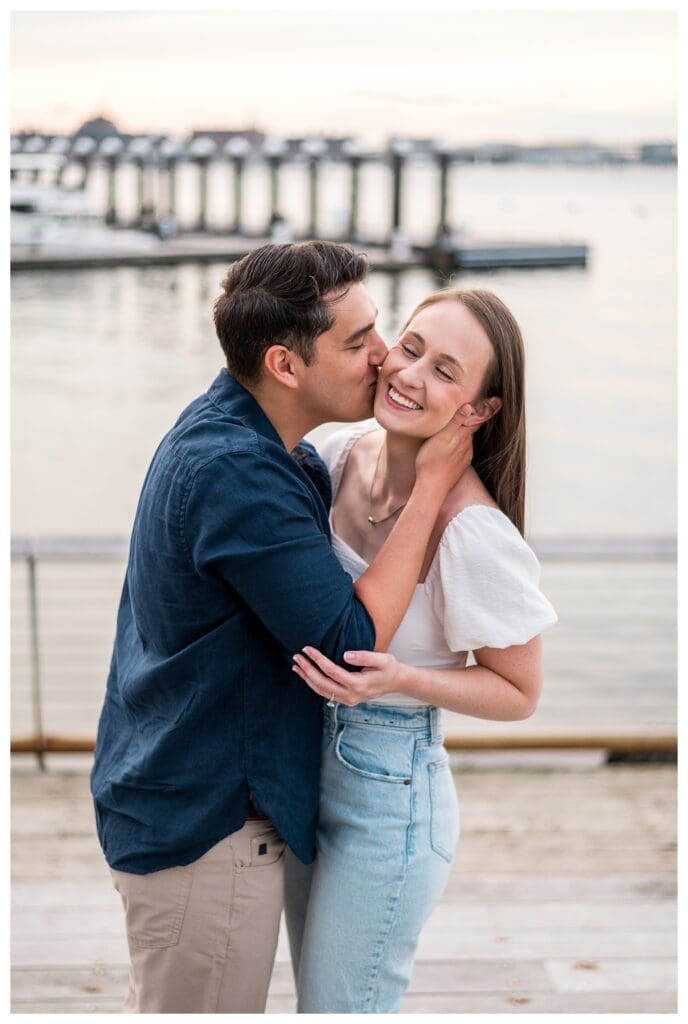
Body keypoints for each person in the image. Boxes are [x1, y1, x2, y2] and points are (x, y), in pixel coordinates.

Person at [90, 242, 475, 1014]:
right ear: (285, 366)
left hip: (176, 796)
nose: (384, 359)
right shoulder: (236, 471)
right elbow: (349, 641)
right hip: (208, 831)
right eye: (357, 340)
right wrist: (433, 483)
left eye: (381, 328)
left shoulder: (245, 434)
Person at [285, 287, 558, 1013]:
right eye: (410, 348)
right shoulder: (336, 455)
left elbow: (521, 693)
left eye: (446, 371)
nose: (410, 376)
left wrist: (405, 678)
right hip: (297, 766)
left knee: (341, 1007)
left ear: (483, 410)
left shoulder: (473, 532)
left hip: (388, 797)